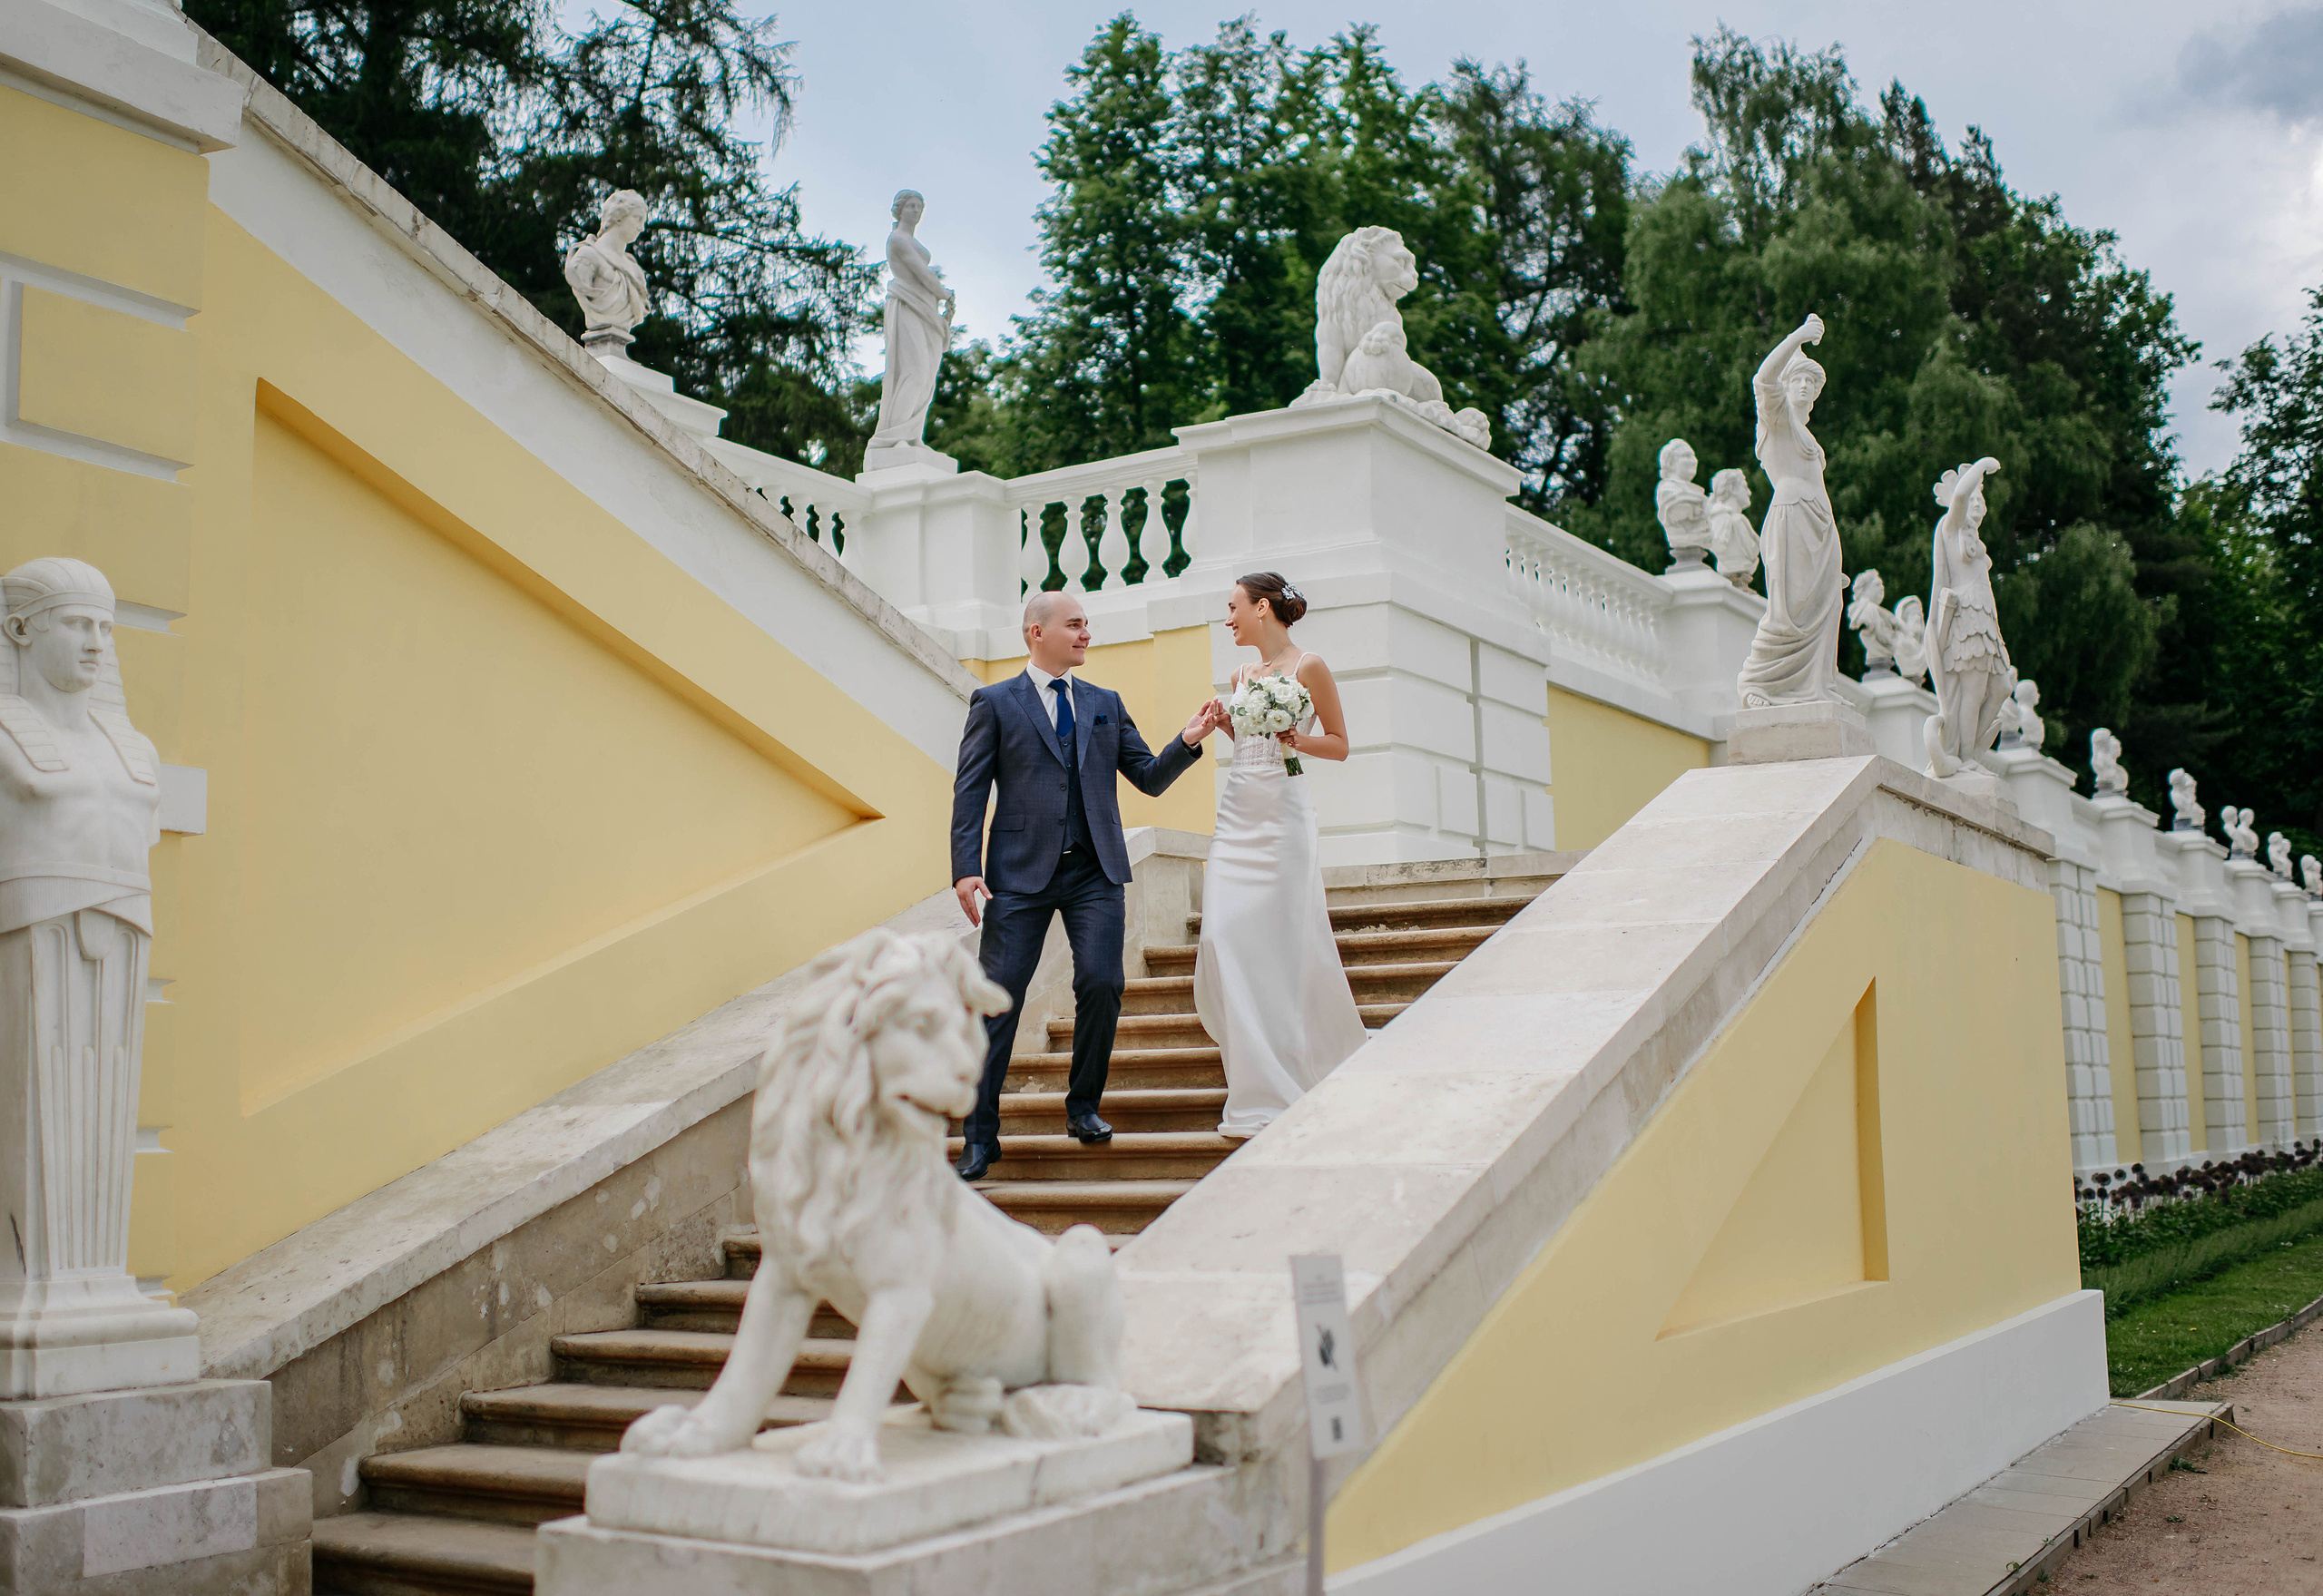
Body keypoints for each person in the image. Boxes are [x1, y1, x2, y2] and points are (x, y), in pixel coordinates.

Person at [950, 591, 1216, 1180]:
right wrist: (967, 866)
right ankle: (979, 1135)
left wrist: (1189, 740)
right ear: (1034, 632)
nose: (1085, 634)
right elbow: (970, 790)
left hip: (1095, 869)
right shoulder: (994, 703)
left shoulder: (1104, 702)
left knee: (1102, 981)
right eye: (1074, 625)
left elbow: (1146, 777)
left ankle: (1083, 1106)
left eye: (1087, 625)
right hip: (1018, 875)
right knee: (999, 1001)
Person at [1193, 573, 1367, 1138]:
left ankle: (1283, 1074)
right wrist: (1224, 724)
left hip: (1283, 817)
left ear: (1261, 607)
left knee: (1280, 945)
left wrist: (1298, 739)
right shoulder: (1244, 675)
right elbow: (1247, 743)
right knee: (1223, 936)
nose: (1228, 619)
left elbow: (1340, 745)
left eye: (1233, 608)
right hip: (1238, 810)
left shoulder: (1309, 666)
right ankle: (1253, 1069)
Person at [1736, 312, 1844, 706]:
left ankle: (1816, 687)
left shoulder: (1808, 435)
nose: (1804, 386)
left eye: (1810, 382)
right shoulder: (1777, 420)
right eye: (1797, 379)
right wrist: (1797, 336)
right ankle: (1756, 683)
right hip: (1792, 518)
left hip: (1820, 528)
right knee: (1789, 613)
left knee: (1826, 608)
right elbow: (1762, 380)